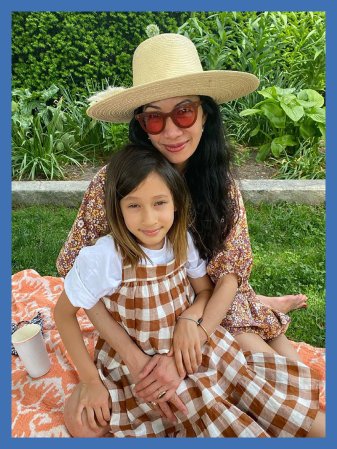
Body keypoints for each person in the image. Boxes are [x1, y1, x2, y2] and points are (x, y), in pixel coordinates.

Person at [56, 33, 323, 436]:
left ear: (204, 115)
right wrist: (130, 358)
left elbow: (229, 273)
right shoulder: (111, 184)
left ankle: (262, 308)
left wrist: (195, 324)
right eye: (154, 116)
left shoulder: (220, 183)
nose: (171, 131)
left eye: (183, 112)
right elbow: (78, 275)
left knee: (282, 381)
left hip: (214, 297)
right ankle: (265, 307)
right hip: (147, 313)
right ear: (142, 125)